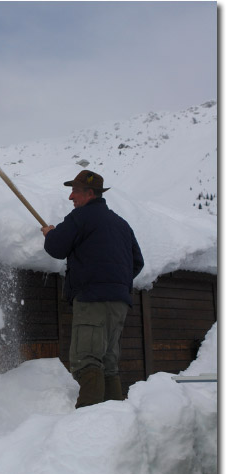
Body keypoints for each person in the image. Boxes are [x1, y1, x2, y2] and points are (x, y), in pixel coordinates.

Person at [41, 169, 144, 408]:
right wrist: (116, 281)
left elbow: (57, 248)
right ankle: (115, 422)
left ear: (89, 193)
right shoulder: (121, 225)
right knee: (108, 362)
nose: (71, 197)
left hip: (91, 300)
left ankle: (88, 426)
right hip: (119, 303)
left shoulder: (81, 217)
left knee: (86, 360)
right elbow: (138, 262)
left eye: (75, 191)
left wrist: (50, 234)